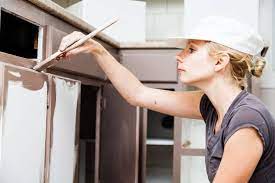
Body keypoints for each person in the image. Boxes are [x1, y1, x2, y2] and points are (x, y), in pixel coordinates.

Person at [58, 16, 275, 182]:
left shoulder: (246, 121)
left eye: (191, 50)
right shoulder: (211, 105)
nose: (179, 55)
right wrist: (97, 49)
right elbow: (138, 94)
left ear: (220, 62)